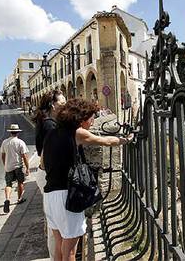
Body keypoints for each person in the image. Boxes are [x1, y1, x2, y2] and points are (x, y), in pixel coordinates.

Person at [43, 99, 133, 261]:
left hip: (50, 196)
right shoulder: (77, 133)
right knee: (70, 250)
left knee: (59, 245)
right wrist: (127, 139)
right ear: (81, 118)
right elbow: (106, 141)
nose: (93, 121)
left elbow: (42, 163)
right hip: (66, 197)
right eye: (92, 117)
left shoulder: (51, 133)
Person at [33, 90, 66, 260]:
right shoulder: (50, 125)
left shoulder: (46, 122)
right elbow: (48, 153)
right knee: (56, 226)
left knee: (53, 222)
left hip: (45, 173)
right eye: (62, 102)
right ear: (53, 105)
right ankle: (55, 257)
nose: (65, 104)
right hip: (48, 174)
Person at [0, 124, 30, 213]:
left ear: (10, 132)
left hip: (8, 167)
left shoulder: (5, 142)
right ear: (17, 132)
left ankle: (7, 199)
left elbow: (2, 155)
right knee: (20, 182)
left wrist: (5, 164)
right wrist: (27, 168)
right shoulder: (20, 142)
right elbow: (24, 156)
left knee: (8, 184)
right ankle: (19, 199)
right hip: (18, 166)